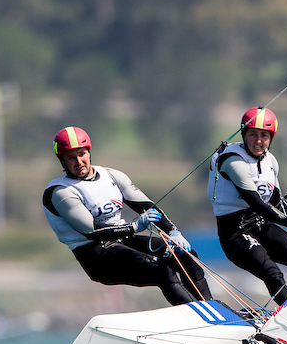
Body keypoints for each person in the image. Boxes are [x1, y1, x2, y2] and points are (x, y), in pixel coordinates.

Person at [43, 126, 212, 305]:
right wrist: (134, 227)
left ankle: (212, 307)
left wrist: (173, 232)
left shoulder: (111, 175)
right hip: (96, 256)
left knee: (185, 254)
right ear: (62, 160)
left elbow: (146, 206)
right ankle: (200, 314)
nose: (79, 161)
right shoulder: (60, 192)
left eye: (81, 154)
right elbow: (91, 231)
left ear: (89, 152)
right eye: (71, 157)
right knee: (163, 270)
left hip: (125, 240)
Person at [208, 106, 287, 306]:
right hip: (236, 234)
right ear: (244, 134)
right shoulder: (233, 162)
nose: (258, 141)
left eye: (264, 136)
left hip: (262, 225)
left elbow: (276, 201)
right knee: (273, 274)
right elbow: (257, 204)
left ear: (271, 138)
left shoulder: (271, 161)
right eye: (253, 134)